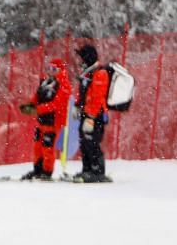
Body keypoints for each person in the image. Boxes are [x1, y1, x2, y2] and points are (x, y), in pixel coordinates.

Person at [18, 57, 72, 180]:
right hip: (42, 119)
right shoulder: (47, 81)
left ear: (60, 70)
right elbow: (37, 95)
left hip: (53, 120)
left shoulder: (63, 84)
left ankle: (47, 171)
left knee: (47, 146)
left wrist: (38, 109)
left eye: (54, 69)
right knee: (38, 145)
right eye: (49, 68)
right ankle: (37, 169)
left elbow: (56, 105)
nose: (50, 71)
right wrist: (30, 104)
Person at [72, 42, 113, 183]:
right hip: (86, 113)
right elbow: (84, 92)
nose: (80, 61)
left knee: (92, 141)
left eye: (82, 58)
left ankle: (97, 171)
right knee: (84, 141)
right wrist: (77, 106)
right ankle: (87, 169)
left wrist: (91, 116)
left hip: (95, 115)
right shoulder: (87, 73)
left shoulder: (99, 73)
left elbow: (97, 97)